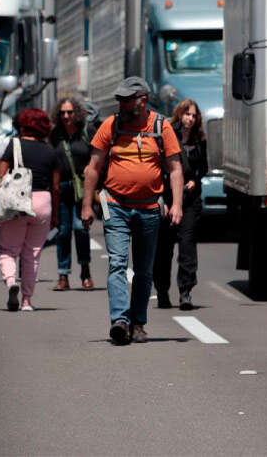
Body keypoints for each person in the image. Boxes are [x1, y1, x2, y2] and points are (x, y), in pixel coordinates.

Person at [81, 77, 184, 345]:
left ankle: (138, 323)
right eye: (120, 100)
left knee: (143, 270)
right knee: (116, 263)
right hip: (116, 206)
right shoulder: (111, 125)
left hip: (149, 209)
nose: (122, 104)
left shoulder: (162, 127)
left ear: (142, 100)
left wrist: (177, 205)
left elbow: (175, 169)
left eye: (127, 99)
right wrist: (86, 206)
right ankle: (120, 321)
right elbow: (92, 168)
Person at [0, 108, 61, 312]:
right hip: (43, 202)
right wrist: (55, 214)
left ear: (22, 125)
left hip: (16, 202)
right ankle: (27, 301)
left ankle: (11, 281)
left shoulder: (13, 145)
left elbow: (1, 178)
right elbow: (56, 187)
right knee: (33, 253)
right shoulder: (51, 151)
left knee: (7, 249)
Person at [153, 99, 209, 310]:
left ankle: (185, 291)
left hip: (190, 201)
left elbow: (204, 166)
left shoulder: (199, 139)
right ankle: (162, 291)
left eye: (194, 116)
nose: (190, 119)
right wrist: (162, 200)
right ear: (179, 115)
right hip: (168, 199)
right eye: (187, 115)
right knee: (164, 248)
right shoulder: (168, 136)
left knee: (187, 247)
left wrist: (196, 178)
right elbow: (160, 167)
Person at [49, 97, 95, 291]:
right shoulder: (55, 134)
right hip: (61, 189)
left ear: (76, 113)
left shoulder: (86, 132)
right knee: (63, 231)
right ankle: (63, 276)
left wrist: (90, 170)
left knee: (81, 229)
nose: (66, 116)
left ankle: (85, 272)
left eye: (69, 112)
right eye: (62, 113)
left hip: (82, 189)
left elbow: (97, 156)